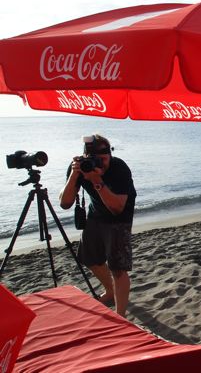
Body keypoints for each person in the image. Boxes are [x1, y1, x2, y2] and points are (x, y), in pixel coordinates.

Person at [59, 135, 137, 317]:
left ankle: (120, 315)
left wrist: (97, 181)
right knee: (88, 258)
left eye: (102, 159)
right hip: (96, 215)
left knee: (118, 268)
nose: (98, 164)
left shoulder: (119, 168)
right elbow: (65, 203)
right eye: (93, 159)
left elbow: (117, 208)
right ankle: (111, 291)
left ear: (110, 155)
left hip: (120, 217)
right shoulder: (81, 168)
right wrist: (74, 175)